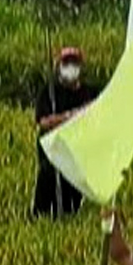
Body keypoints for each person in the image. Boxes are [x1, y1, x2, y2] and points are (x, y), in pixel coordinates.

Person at [33, 47, 95, 218]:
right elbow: (43, 122)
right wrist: (71, 116)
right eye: (66, 63)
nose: (70, 67)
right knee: (48, 182)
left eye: (74, 63)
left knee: (72, 199)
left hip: (77, 152)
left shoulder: (89, 93)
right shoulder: (49, 92)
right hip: (52, 151)